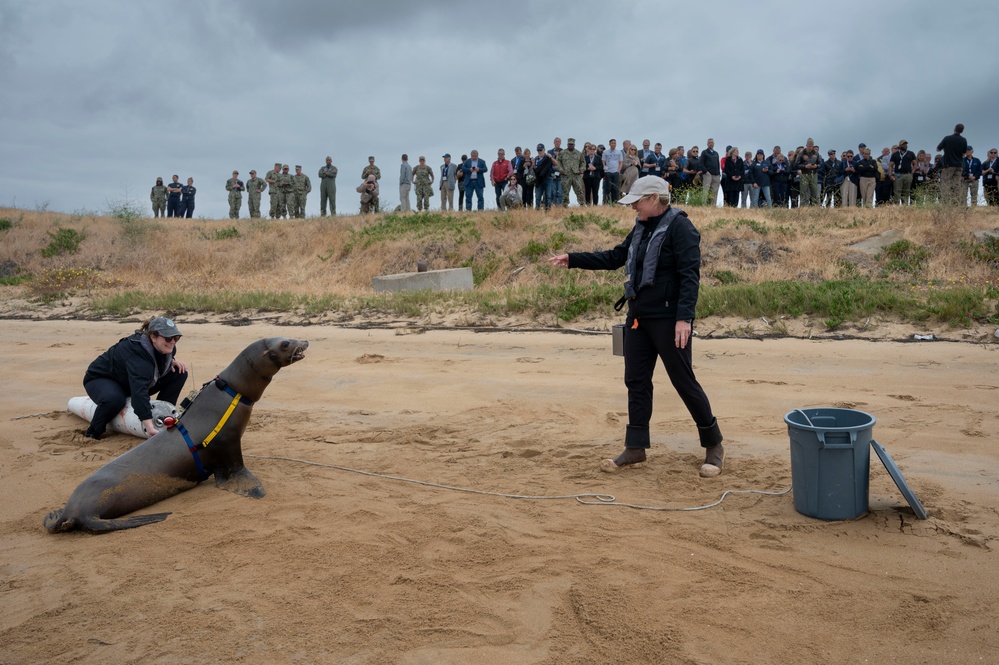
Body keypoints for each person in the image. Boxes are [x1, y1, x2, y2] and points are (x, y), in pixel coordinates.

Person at [547, 176, 724, 477]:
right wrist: (573, 259)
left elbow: (689, 276)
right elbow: (616, 257)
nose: (633, 209)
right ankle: (635, 447)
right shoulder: (642, 225)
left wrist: (685, 318)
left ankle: (714, 444)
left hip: (669, 321)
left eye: (637, 202)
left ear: (655, 199)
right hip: (638, 318)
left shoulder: (681, 227)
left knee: (684, 381)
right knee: (636, 381)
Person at [81, 316, 188, 440]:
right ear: (153, 336)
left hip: (128, 381)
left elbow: (156, 360)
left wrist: (170, 362)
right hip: (101, 379)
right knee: (115, 399)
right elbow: (139, 391)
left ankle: (163, 416)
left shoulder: (168, 348)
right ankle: (93, 432)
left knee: (180, 373)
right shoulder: (137, 353)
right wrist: (148, 426)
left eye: (176, 338)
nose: (173, 342)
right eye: (168, 338)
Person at [937, 123, 968, 205]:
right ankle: (956, 203)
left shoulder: (947, 138)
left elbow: (938, 149)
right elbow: (964, 153)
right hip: (959, 165)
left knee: (946, 185)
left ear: (954, 129)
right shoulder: (963, 140)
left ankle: (946, 203)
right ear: (962, 131)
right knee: (956, 185)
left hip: (948, 165)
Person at [558, 138, 585, 206]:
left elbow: (583, 163)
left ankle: (582, 204)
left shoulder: (579, 153)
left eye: (572, 144)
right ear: (567, 144)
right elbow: (558, 162)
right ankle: (565, 205)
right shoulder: (562, 153)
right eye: (569, 144)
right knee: (565, 191)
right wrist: (561, 169)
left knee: (579, 190)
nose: (571, 146)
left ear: (574, 145)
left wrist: (581, 169)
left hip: (576, 175)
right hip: (566, 175)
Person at [889, 140, 915, 205]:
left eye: (905, 144)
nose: (905, 145)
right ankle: (897, 207)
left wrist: (912, 173)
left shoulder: (910, 153)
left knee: (906, 192)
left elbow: (915, 163)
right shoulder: (895, 154)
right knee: (897, 191)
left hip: (907, 174)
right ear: (900, 145)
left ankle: (905, 207)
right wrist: (890, 175)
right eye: (903, 144)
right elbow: (891, 165)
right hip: (898, 174)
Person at [700, 138, 722, 205]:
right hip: (708, 174)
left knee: (714, 191)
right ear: (707, 144)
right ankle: (703, 204)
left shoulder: (716, 153)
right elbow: (701, 163)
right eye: (709, 142)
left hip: (716, 175)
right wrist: (705, 172)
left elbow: (718, 164)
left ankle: (713, 205)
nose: (711, 144)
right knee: (706, 190)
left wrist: (718, 173)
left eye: (712, 142)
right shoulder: (704, 152)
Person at [602, 138, 623, 204]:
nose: (613, 144)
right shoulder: (605, 152)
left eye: (614, 143)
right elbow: (603, 161)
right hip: (608, 172)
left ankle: (615, 202)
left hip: (615, 172)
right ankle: (608, 202)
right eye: (612, 143)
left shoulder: (619, 152)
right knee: (608, 188)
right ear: (609, 144)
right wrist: (605, 170)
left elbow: (621, 162)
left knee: (615, 188)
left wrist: (618, 171)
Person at [533, 145, 553, 210]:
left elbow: (556, 164)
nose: (539, 151)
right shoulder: (536, 159)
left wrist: (551, 158)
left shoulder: (548, 157)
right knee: (538, 196)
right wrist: (533, 164)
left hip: (547, 178)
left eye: (541, 150)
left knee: (548, 195)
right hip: (539, 180)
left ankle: (548, 209)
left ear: (544, 150)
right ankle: (537, 209)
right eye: (538, 150)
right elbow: (534, 169)